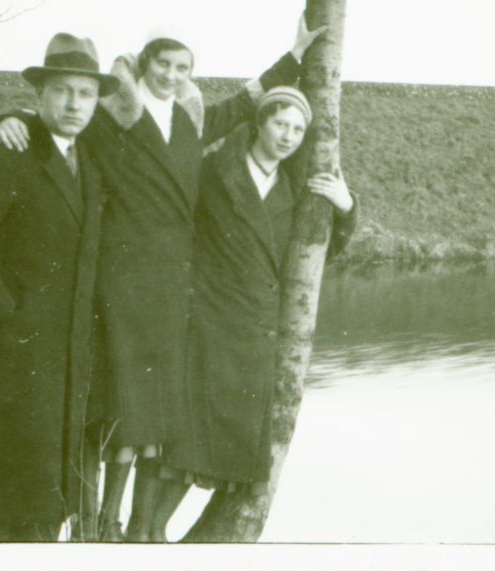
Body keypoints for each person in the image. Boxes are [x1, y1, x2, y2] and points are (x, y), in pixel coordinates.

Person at [0, 17, 325, 541]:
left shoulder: (190, 119)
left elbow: (244, 104)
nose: (171, 75)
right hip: (121, 279)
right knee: (115, 404)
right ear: (145, 63)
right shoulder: (113, 114)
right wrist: (10, 118)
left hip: (171, 285)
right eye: (163, 64)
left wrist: (294, 57)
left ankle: (132, 526)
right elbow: (63, 123)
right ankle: (95, 522)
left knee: (153, 412)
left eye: (182, 67)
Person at [0, 34, 116, 542]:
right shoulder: (7, 154)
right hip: (5, 368)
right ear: (39, 95)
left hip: (61, 371)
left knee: (41, 514)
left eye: (86, 93)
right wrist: (1, 319)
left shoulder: (88, 163)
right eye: (62, 90)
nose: (74, 104)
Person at [145, 86, 357, 541]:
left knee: (217, 441)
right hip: (204, 320)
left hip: (252, 330)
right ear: (260, 123)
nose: (288, 136)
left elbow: (316, 255)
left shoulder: (294, 189)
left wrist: (346, 207)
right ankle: (146, 531)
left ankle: (152, 533)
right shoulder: (215, 170)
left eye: (297, 129)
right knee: (182, 439)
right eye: (280, 123)